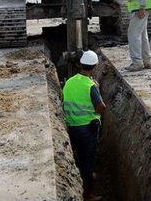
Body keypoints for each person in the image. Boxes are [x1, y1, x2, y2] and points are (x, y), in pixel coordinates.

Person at [62, 50, 106, 201]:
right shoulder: (90, 85)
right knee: (88, 162)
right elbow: (101, 107)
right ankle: (87, 195)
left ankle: (81, 176)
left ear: (81, 65)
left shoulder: (69, 82)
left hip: (72, 128)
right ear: (94, 67)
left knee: (79, 156)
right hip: (88, 130)